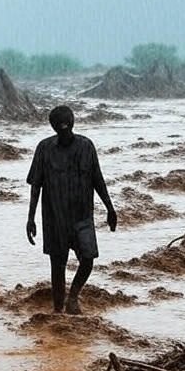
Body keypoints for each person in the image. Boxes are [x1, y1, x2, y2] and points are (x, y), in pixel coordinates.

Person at [26, 105, 117, 314]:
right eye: (60, 127)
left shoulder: (86, 146)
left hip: (82, 216)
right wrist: (31, 219)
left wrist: (110, 208)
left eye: (67, 126)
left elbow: (98, 179)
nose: (65, 130)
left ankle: (73, 297)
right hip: (54, 217)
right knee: (57, 265)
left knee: (88, 257)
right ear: (54, 127)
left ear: (74, 122)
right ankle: (58, 311)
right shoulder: (44, 148)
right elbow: (35, 186)